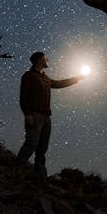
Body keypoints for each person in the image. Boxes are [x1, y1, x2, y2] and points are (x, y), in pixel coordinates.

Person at [16, 51, 82, 179]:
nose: (48, 60)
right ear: (39, 60)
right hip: (34, 115)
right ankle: (17, 169)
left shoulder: (46, 78)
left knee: (42, 148)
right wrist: (27, 113)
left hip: (46, 117)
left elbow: (58, 83)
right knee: (31, 143)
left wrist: (75, 79)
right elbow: (23, 96)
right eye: (45, 58)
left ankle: (40, 177)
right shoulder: (29, 76)